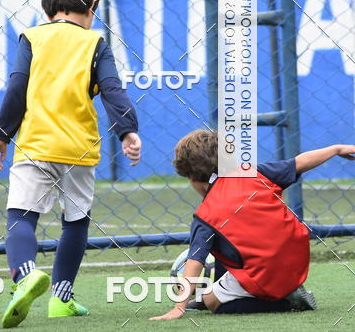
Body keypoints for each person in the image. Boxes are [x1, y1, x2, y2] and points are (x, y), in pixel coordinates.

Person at [0, 0, 141, 328]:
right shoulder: (95, 43)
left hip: (35, 146)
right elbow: (113, 91)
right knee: (76, 222)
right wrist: (127, 131)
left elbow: (16, 89)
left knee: (21, 215)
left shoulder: (32, 38)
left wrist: (0, 136)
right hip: (79, 150)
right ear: (92, 8)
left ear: (46, 6)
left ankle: (25, 275)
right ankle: (62, 298)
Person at [151, 129, 355, 320]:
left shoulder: (205, 217)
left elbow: (194, 262)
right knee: (229, 239)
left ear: (193, 177)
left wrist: (179, 307)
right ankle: (282, 291)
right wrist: (336, 149)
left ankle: (285, 302)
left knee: (211, 301)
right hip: (297, 261)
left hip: (267, 274)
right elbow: (299, 163)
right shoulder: (256, 174)